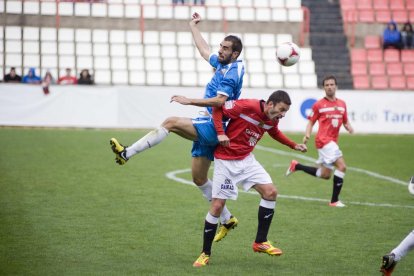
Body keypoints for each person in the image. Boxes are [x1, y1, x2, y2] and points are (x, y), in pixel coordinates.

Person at [110, 12, 245, 241]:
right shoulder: (223, 63)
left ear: (235, 53)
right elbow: (204, 51)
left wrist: (189, 100)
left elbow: (220, 102)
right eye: (220, 46)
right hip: (207, 122)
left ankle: (126, 153)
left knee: (170, 122)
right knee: (199, 179)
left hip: (215, 126)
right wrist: (192, 26)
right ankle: (228, 218)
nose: (220, 50)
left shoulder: (232, 72)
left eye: (225, 48)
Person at [192, 90, 307, 267]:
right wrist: (221, 132)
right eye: (281, 110)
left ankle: (260, 241)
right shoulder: (248, 105)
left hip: (246, 160)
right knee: (216, 206)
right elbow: (218, 108)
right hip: (225, 160)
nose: (282, 115)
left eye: (285, 112)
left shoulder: (272, 119)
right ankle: (205, 254)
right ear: (270, 104)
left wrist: (293, 145)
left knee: (271, 192)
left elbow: (274, 132)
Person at [285, 75, 354, 207]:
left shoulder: (342, 104)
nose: (329, 87)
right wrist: (307, 135)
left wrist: (349, 127)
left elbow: (345, 121)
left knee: (325, 174)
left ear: (336, 86)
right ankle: (334, 201)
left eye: (331, 84)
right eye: (327, 85)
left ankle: (296, 166)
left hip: (332, 141)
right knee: (342, 166)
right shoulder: (319, 105)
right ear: (323, 88)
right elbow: (310, 122)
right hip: (324, 141)